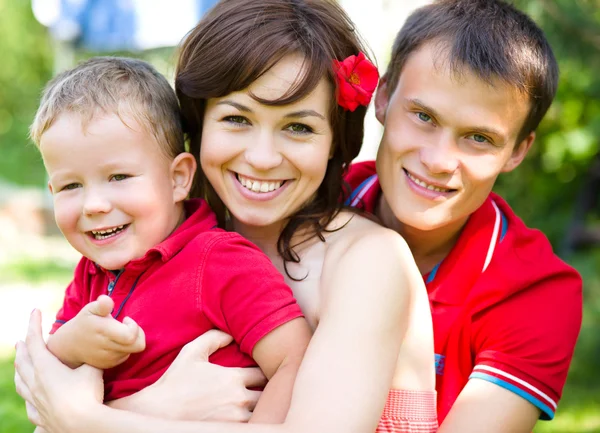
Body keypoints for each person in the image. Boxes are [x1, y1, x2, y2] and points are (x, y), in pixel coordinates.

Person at [15, 1, 437, 433]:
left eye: (298, 127)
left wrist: (85, 419)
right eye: (237, 119)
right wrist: (148, 408)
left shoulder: (367, 261)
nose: (262, 157)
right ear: (199, 124)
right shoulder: (169, 243)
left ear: (333, 140)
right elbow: (43, 397)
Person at [27, 55, 313, 423]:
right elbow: (44, 395)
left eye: (119, 177)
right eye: (71, 185)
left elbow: (294, 359)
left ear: (178, 177)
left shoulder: (219, 261)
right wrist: (71, 342)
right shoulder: (90, 274)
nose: (94, 205)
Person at [344, 0, 583, 431]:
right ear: (382, 98)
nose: (438, 160)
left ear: (518, 151)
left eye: (478, 137)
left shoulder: (536, 293)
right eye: (423, 116)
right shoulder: (307, 204)